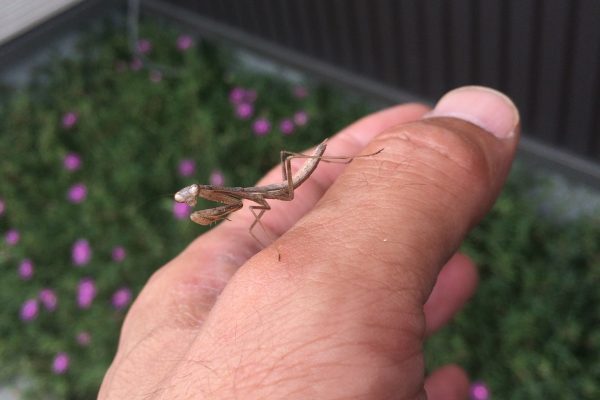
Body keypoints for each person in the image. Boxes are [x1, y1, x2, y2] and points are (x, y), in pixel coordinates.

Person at [99, 86, 519, 399]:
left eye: (193, 194)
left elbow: (249, 216)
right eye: (191, 198)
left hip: (293, 180)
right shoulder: (232, 202)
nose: (193, 201)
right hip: (282, 189)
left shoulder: (235, 197)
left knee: (264, 200)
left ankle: (358, 162)